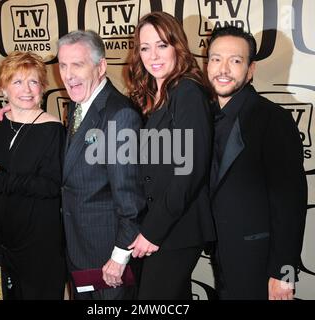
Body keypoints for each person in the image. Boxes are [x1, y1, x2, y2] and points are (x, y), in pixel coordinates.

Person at [207, 26, 307, 300]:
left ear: (251, 69)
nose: (223, 69)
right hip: (220, 259)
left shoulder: (272, 120)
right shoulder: (203, 117)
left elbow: (291, 205)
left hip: (261, 265)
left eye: (235, 60)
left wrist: (283, 274)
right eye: (216, 59)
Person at [126, 12, 215, 299]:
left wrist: (153, 230)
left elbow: (190, 170)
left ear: (178, 46)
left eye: (162, 45)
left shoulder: (187, 91)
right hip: (165, 224)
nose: (153, 55)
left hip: (178, 226)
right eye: (145, 47)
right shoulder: (156, 93)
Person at [57, 30, 145, 300]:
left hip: (107, 259)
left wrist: (119, 258)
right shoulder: (77, 105)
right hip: (78, 249)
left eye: (78, 64)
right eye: (62, 65)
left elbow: (131, 199)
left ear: (101, 66)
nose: (68, 74)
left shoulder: (120, 115)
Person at [0, 51, 66, 299]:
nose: (26, 89)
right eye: (17, 82)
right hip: (2, 243)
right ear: (4, 89)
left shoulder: (53, 130)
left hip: (40, 249)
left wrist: (0, 180)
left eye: (33, 81)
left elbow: (51, 186)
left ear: (43, 88)